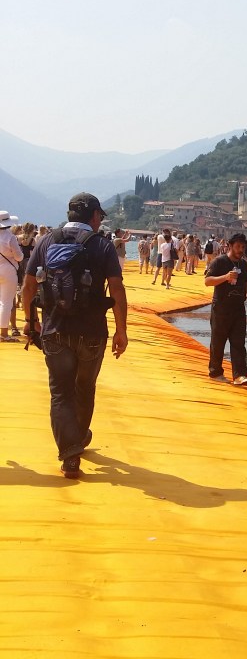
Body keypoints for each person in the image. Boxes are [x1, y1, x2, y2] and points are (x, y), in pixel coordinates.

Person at [21, 192, 128, 479]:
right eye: (100, 216)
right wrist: (122, 330)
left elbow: (28, 288)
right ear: (94, 216)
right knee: (84, 388)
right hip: (92, 334)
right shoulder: (102, 246)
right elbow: (117, 290)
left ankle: (70, 452)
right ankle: (78, 436)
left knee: (61, 392)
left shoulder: (45, 241)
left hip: (55, 331)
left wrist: (31, 323)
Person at [204, 233, 247, 386]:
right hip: (220, 307)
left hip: (238, 308)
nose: (241, 249)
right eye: (238, 246)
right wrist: (225, 277)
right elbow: (207, 281)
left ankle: (240, 375)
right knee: (218, 342)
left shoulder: (243, 264)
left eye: (243, 247)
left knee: (239, 343)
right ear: (230, 246)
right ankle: (215, 372)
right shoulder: (219, 262)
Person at [0, 211, 23, 341]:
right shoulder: (10, 237)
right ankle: (3, 333)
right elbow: (19, 257)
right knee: (6, 302)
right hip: (8, 270)